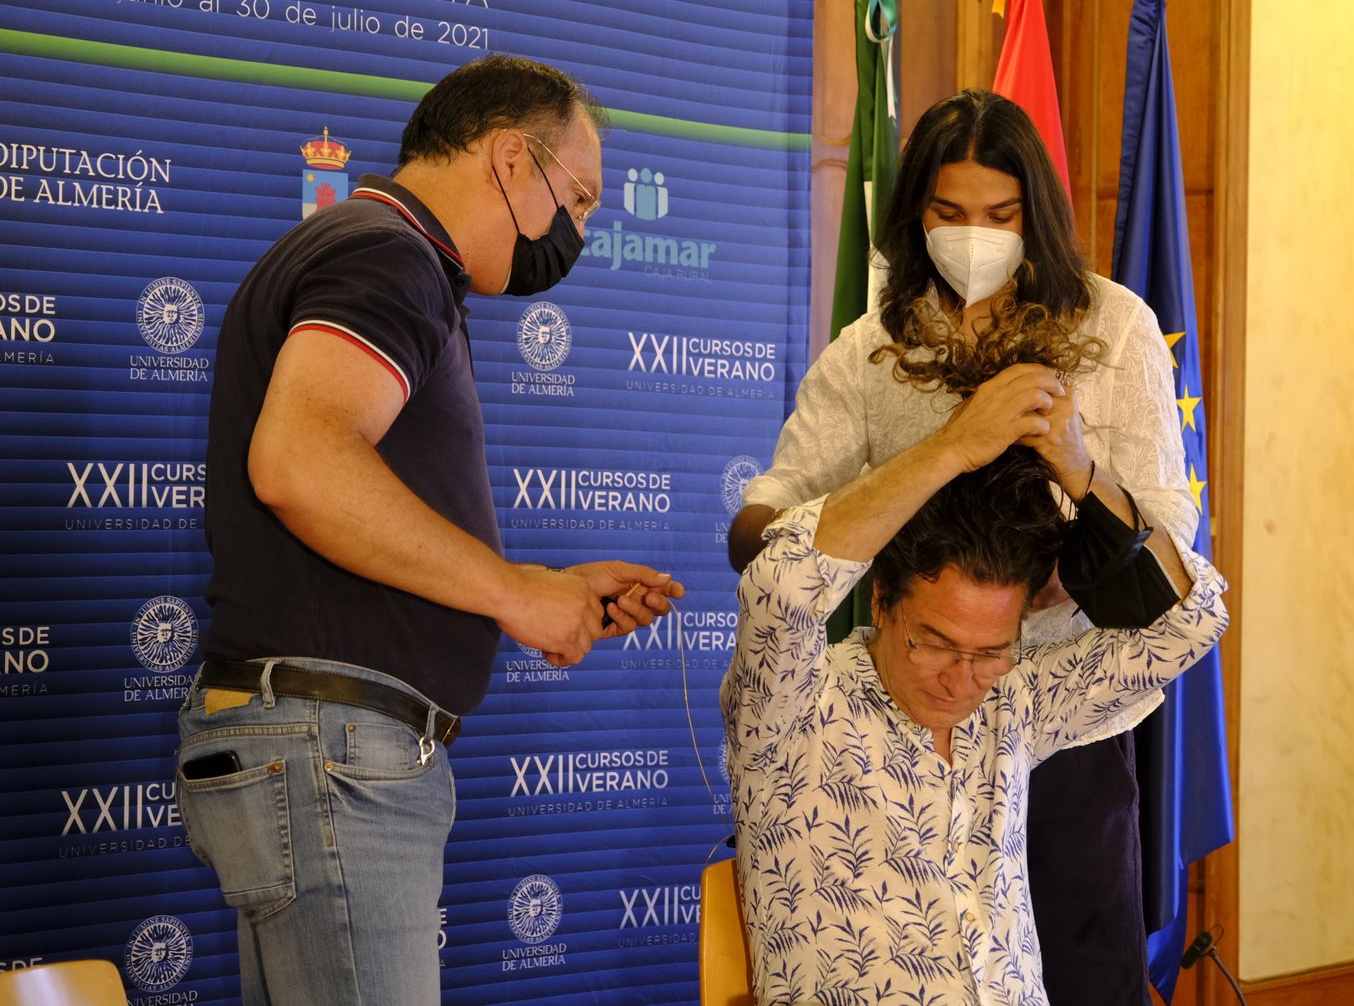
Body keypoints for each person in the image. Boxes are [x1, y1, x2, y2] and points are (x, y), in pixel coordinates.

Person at [176, 55, 682, 1006]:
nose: (575, 234)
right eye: (576, 199)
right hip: (337, 756)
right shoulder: (386, 254)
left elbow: (350, 507)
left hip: (319, 748)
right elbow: (300, 463)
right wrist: (510, 593)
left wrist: (535, 586)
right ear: (508, 158)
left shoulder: (378, 254)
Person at [728, 88, 1196, 1003]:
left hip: (1063, 733)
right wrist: (914, 493)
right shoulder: (872, 351)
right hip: (901, 737)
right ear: (914, 217)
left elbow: (1173, 558)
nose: (973, 236)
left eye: (1000, 215)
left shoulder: (1114, 328)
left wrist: (1073, 494)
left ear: (1039, 218)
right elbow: (759, 539)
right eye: (949, 214)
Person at [722, 360, 1228, 1005]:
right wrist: (954, 447)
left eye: (991, 651)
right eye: (933, 642)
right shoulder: (791, 704)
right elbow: (779, 577)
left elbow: (1195, 617)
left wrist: (1078, 469)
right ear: (880, 602)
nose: (961, 680)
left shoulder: (1015, 704)